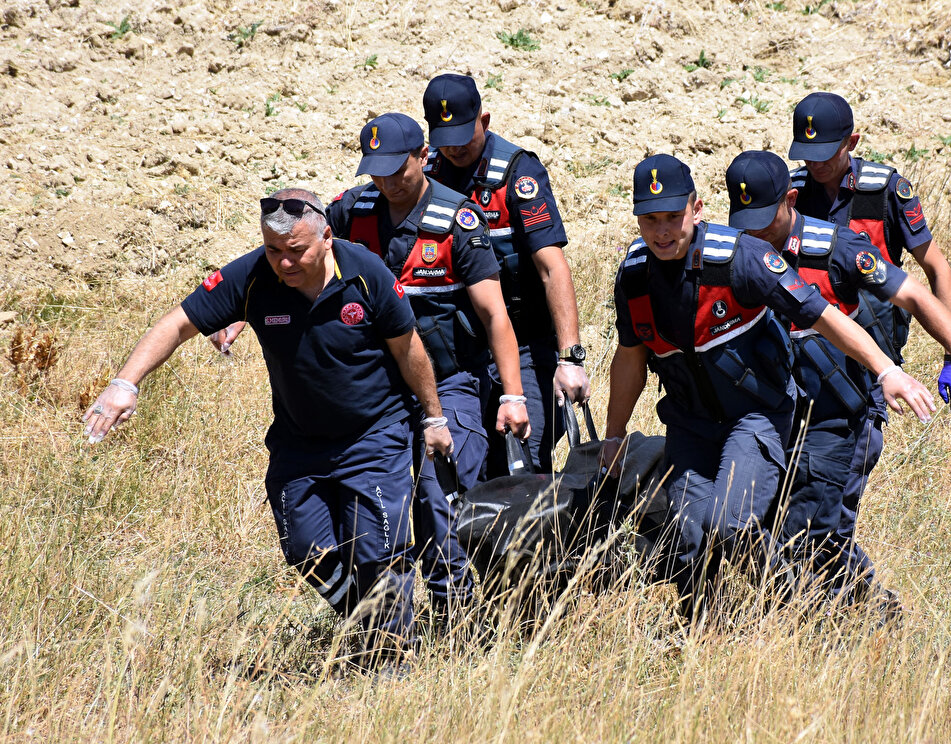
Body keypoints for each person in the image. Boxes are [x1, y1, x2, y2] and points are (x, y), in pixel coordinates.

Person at [83, 189, 452, 672]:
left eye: (296, 250)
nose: (284, 262)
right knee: (304, 550)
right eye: (274, 250)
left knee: (376, 551)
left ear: (327, 237)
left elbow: (409, 350)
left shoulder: (366, 273)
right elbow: (177, 323)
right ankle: (367, 623)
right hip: (299, 442)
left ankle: (391, 659)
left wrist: (433, 417)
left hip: (373, 435)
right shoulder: (255, 275)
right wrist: (124, 384)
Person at [599, 154, 938, 621]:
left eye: (672, 217)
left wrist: (886, 370)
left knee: (730, 523)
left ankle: (797, 605)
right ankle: (706, 633)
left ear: (697, 209)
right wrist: (614, 434)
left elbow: (823, 315)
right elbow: (631, 358)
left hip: (754, 418)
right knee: (689, 536)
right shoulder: (635, 275)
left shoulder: (742, 258)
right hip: (690, 426)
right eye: (650, 220)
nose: (662, 232)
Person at [725, 150, 951, 609]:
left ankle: (860, 618)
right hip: (780, 414)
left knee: (812, 531)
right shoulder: (736, 251)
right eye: (746, 221)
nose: (755, 232)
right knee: (793, 525)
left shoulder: (837, 248)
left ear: (790, 201)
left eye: (764, 220)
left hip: (843, 412)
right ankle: (862, 609)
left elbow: (916, 295)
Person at [786, 92, 951, 596]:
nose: (815, 165)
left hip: (869, 368)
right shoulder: (790, 193)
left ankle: (864, 606)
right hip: (806, 367)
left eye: (825, 154)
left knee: (834, 502)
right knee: (800, 498)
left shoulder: (885, 190)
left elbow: (934, 268)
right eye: (806, 154)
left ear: (852, 142)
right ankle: (827, 599)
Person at [324, 112, 531, 621]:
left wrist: (512, 394)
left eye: (398, 169)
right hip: (380, 391)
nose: (388, 182)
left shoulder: (458, 220)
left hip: (451, 380)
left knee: (439, 498)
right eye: (377, 172)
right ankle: (387, 617)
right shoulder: (353, 210)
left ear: (423, 156)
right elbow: (296, 242)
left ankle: (454, 613)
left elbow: (494, 315)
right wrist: (238, 307)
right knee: (377, 506)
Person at [422, 73, 590, 476]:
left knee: (525, 457)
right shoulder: (424, 173)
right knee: (466, 466)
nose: (454, 148)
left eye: (463, 136)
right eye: (445, 139)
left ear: (485, 120)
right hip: (462, 351)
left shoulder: (518, 172)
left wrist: (569, 357)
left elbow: (551, 267)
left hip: (526, 342)